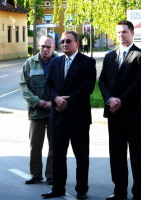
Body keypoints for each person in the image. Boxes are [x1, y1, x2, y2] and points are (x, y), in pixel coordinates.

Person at [41, 30, 96, 200]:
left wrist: (68, 101)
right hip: (58, 117)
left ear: (77, 44)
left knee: (81, 156)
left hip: (78, 117)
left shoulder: (87, 62)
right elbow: (48, 85)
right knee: (58, 155)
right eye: (63, 41)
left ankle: (81, 189)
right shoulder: (55, 62)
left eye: (68, 41)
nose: (65, 44)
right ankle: (58, 188)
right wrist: (56, 99)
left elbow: (87, 87)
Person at [99, 20, 141, 200]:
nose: (121, 35)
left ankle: (139, 193)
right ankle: (119, 191)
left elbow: (139, 83)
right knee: (117, 154)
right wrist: (109, 99)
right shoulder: (109, 57)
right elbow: (102, 81)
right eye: (118, 32)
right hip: (113, 113)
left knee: (137, 154)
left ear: (132, 33)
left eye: (124, 32)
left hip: (133, 113)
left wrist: (120, 100)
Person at [20, 36, 56, 185]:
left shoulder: (59, 62)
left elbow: (64, 85)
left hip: (55, 111)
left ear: (54, 48)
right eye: (42, 46)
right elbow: (24, 86)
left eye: (48, 47)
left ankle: (51, 175)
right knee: (35, 145)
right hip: (36, 111)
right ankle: (35, 174)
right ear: (38, 46)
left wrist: (53, 102)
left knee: (54, 145)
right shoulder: (29, 63)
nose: (45, 49)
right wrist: (38, 102)